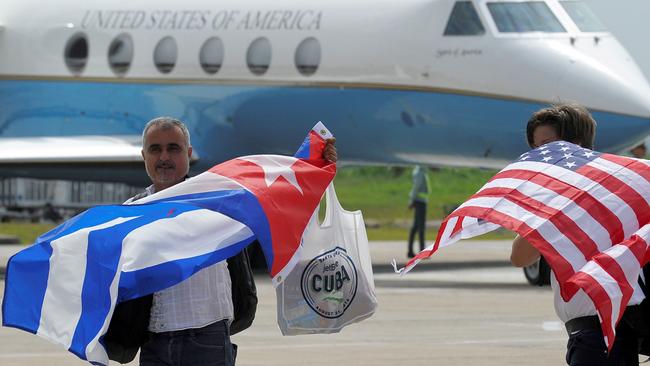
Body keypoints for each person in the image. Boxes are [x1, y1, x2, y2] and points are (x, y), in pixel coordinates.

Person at [106, 117, 337, 366]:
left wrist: (316, 163)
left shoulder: (220, 199)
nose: (164, 157)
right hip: (155, 345)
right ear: (144, 156)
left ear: (189, 153)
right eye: (155, 149)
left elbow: (281, 192)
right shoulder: (130, 213)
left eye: (173, 148)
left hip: (208, 341)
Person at [510, 103, 645, 365]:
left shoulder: (566, 198)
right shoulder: (624, 186)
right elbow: (520, 257)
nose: (540, 155)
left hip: (597, 335)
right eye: (536, 148)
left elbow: (520, 256)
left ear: (576, 145)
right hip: (618, 332)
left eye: (547, 145)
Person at [407, 165, 430, 258]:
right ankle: (421, 251)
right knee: (420, 228)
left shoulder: (420, 171)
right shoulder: (420, 173)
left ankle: (410, 251)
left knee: (416, 227)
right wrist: (411, 200)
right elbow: (416, 188)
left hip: (419, 201)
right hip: (420, 202)